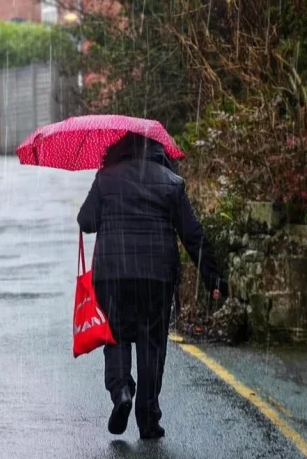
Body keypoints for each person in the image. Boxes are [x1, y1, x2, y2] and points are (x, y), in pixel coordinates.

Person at [77, 132, 228, 440]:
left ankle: (121, 392)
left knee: (115, 335)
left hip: (114, 273)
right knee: (152, 344)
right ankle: (149, 420)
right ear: (160, 152)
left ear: (119, 148)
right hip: (156, 276)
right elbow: (193, 235)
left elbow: (86, 221)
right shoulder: (171, 182)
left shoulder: (107, 177)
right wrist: (213, 277)